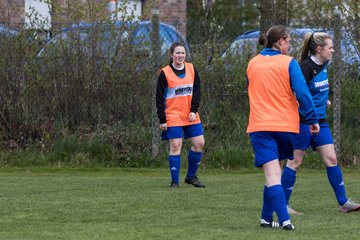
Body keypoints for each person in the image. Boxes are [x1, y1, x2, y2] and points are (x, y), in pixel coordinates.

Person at [246, 25, 320, 231]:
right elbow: (303, 93)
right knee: (274, 173)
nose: (290, 45)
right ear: (279, 42)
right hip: (284, 126)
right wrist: (312, 118)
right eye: (288, 41)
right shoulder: (289, 63)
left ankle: (267, 218)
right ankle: (283, 220)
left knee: (272, 174)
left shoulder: (252, 63)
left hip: (259, 125)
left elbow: (251, 89)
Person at [281, 32, 360, 214]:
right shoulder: (304, 68)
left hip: (320, 122)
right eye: (330, 47)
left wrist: (323, 100)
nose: (333, 50)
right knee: (295, 162)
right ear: (319, 49)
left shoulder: (324, 64)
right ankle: (283, 205)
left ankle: (343, 203)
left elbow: (314, 91)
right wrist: (308, 114)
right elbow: (295, 94)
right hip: (303, 122)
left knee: (331, 159)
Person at [156, 42, 205, 188]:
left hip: (190, 114)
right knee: (176, 146)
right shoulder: (165, 73)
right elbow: (159, 98)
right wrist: (162, 119)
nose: (180, 56)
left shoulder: (191, 68)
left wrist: (193, 110)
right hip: (173, 115)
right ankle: (174, 181)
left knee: (199, 143)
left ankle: (191, 177)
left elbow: (197, 91)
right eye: (177, 53)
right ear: (171, 55)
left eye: (183, 53)